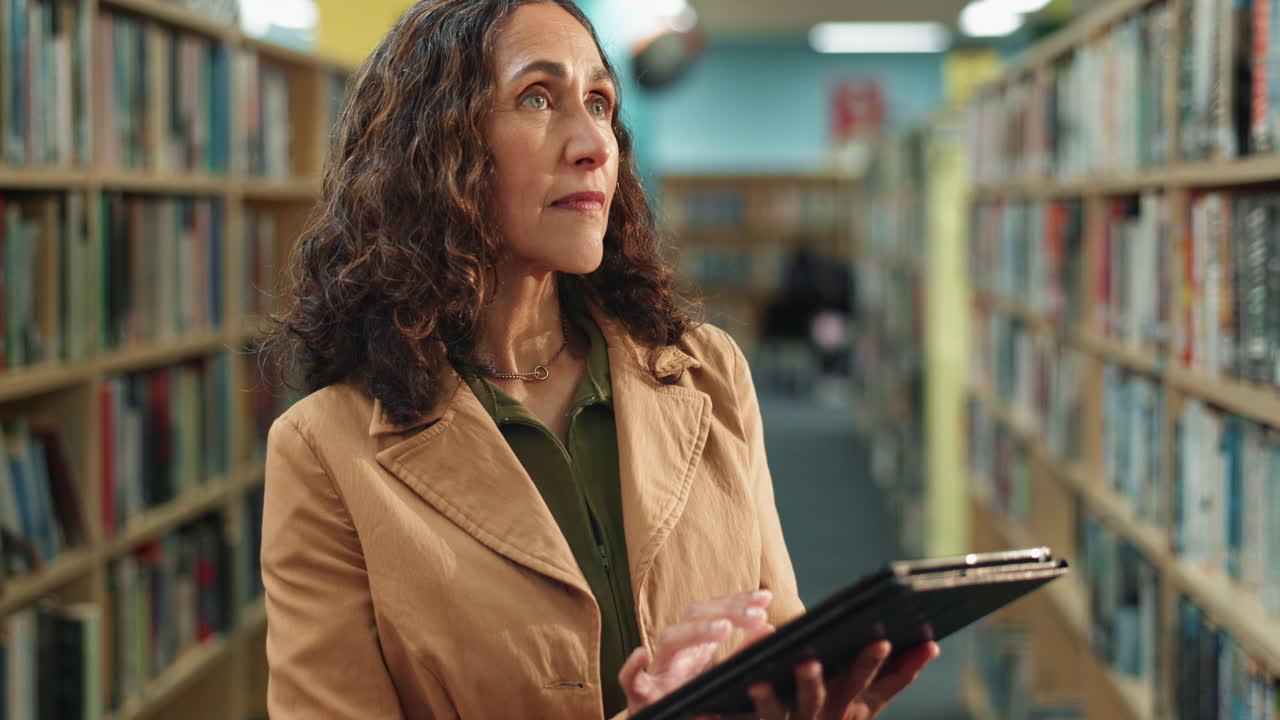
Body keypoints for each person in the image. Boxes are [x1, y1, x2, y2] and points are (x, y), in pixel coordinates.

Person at [258, 1, 939, 718]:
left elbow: (775, 632)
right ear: (430, 147)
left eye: (600, 104)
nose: (593, 145)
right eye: (537, 98)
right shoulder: (322, 450)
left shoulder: (709, 371)